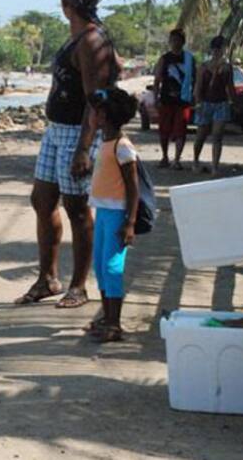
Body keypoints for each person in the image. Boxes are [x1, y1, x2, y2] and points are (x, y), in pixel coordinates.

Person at [15, 0, 119, 309]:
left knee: (77, 209)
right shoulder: (77, 36)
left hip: (77, 133)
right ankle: (48, 278)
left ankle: (78, 286)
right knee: (42, 201)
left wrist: (84, 149)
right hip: (56, 130)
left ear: (65, 3)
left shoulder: (91, 40)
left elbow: (95, 100)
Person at [83, 87, 139, 342]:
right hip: (103, 212)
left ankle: (114, 324)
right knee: (100, 266)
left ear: (104, 116)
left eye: (94, 112)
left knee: (112, 267)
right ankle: (107, 317)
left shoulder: (122, 146)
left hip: (117, 214)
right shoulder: (104, 142)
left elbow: (133, 188)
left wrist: (130, 222)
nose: (90, 117)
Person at [192, 35, 235, 177]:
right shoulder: (204, 67)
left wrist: (234, 102)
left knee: (217, 136)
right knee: (201, 136)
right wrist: (198, 103)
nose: (218, 52)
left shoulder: (227, 68)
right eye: (216, 49)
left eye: (220, 49)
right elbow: (198, 87)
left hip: (221, 103)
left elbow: (230, 87)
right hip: (205, 103)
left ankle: (215, 166)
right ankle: (196, 161)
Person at [153, 28, 196, 170]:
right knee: (164, 131)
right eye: (172, 40)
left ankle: (177, 159)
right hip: (166, 100)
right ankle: (165, 157)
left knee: (181, 131)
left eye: (177, 40)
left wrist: (194, 96)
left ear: (183, 42)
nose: (175, 43)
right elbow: (157, 80)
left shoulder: (189, 59)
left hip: (183, 101)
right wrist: (155, 98)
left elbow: (195, 80)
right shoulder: (164, 59)